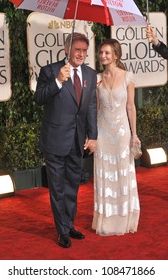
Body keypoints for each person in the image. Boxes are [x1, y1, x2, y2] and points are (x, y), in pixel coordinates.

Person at [34, 32, 97, 248]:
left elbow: (90, 107)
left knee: (73, 186)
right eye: (77, 49)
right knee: (58, 188)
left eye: (84, 51)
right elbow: (39, 98)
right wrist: (58, 81)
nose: (81, 54)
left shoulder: (90, 73)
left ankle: (69, 224)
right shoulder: (50, 71)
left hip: (77, 141)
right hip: (55, 141)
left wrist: (93, 136)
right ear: (66, 49)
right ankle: (62, 231)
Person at [92, 39, 141, 236]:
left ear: (116, 55)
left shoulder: (127, 76)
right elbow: (95, 108)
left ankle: (124, 219)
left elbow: (131, 106)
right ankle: (106, 220)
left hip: (122, 133)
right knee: (104, 173)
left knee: (122, 173)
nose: (103, 56)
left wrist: (134, 134)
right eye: (101, 52)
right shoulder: (97, 78)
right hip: (102, 132)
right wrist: (92, 134)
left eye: (107, 53)